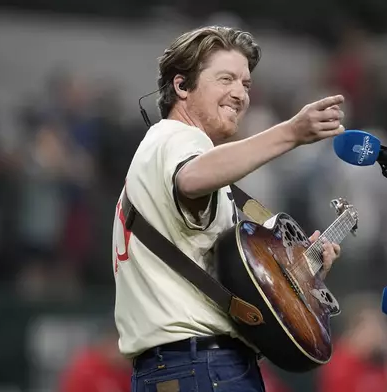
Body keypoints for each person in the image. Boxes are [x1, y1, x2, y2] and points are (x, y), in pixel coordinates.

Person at [112, 25, 345, 392]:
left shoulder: (158, 148)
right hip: (203, 365)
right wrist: (290, 134)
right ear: (182, 86)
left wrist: (301, 274)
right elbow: (189, 178)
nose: (239, 94)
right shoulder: (177, 138)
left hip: (172, 368)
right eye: (225, 79)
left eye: (246, 84)